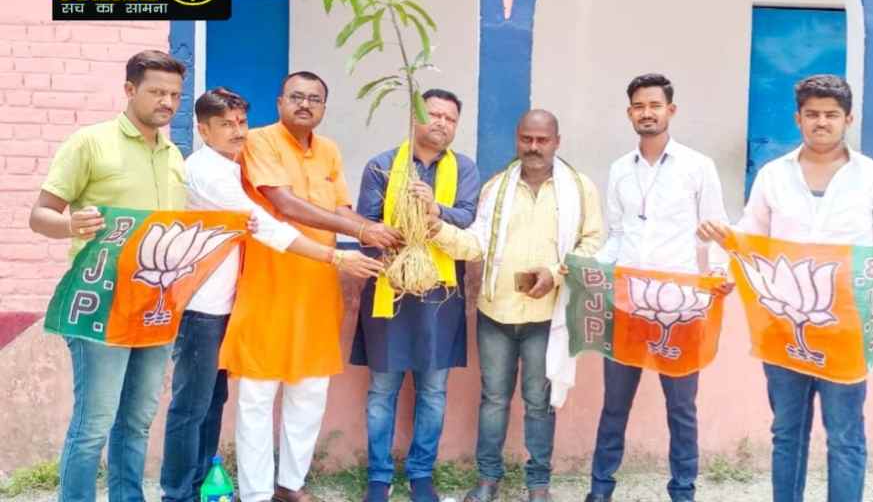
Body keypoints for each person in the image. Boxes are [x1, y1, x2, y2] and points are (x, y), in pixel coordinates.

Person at [698, 74, 873, 502]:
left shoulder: (872, 177)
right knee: (787, 433)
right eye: (813, 114)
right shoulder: (773, 176)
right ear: (798, 118)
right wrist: (721, 249)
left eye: (831, 115)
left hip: (846, 329)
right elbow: (750, 235)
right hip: (783, 326)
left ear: (848, 119)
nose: (821, 122)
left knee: (845, 435)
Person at [160, 87, 382, 502]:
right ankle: (225, 494)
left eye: (240, 122)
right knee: (218, 403)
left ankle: (278, 487)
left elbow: (339, 209)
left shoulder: (258, 160)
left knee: (228, 401)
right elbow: (274, 216)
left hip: (293, 294)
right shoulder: (224, 164)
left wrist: (369, 229)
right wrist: (341, 252)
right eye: (225, 124)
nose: (237, 131)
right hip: (237, 296)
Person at [219, 71, 402, 502]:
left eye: (314, 99)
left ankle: (290, 485)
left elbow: (341, 209)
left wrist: (376, 230)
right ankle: (256, 494)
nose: (305, 104)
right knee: (257, 397)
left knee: (309, 394)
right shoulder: (259, 142)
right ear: (280, 102)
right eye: (296, 97)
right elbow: (284, 204)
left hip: (318, 289)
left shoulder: (329, 151)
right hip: (267, 288)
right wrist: (360, 230)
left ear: (323, 107)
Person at [28, 50, 188, 502]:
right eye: (156, 91)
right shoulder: (90, 143)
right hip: (99, 301)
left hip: (155, 305)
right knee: (94, 424)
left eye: (174, 94)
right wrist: (70, 225)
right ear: (129, 90)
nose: (167, 102)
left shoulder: (174, 154)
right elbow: (40, 216)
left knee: (137, 422)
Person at [430, 110, 604, 502]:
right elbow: (476, 243)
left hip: (548, 315)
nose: (533, 147)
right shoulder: (496, 188)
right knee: (493, 399)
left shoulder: (580, 189)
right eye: (527, 139)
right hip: (497, 312)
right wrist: (437, 229)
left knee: (539, 403)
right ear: (517, 139)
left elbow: (592, 241)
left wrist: (556, 273)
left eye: (542, 140)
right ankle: (488, 479)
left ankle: (538, 485)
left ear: (557, 141)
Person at [584, 74, 730, 502]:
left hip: (679, 308)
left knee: (681, 408)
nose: (647, 113)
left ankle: (683, 492)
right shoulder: (619, 170)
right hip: (627, 305)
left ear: (671, 110)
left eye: (654, 105)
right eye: (639, 106)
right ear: (629, 113)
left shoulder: (697, 166)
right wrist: (590, 270)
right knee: (615, 405)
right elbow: (617, 235)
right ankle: (600, 490)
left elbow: (716, 229)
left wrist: (719, 273)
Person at [351, 88, 480, 502]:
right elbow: (365, 225)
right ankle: (379, 477)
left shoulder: (464, 168)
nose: (442, 123)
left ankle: (421, 474)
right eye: (434, 114)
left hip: (440, 294)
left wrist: (435, 209)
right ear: (415, 117)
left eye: (450, 118)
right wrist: (396, 231)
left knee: (433, 390)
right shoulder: (383, 166)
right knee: (382, 390)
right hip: (389, 289)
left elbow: (468, 217)